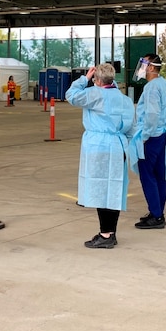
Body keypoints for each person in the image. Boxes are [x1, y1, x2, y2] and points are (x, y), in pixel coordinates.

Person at [65, 63, 135, 248]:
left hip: (99, 146)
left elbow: (70, 96)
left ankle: (105, 234)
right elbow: (132, 128)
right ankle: (111, 231)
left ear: (97, 79)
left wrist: (84, 78)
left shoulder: (95, 94)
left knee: (100, 189)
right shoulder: (125, 100)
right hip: (119, 145)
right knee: (114, 188)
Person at [131, 53, 166, 229]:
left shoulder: (151, 88)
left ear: (151, 67)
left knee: (148, 176)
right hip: (161, 134)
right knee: (159, 176)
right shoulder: (163, 83)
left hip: (151, 136)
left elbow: (152, 114)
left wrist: (145, 135)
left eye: (143, 64)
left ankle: (156, 216)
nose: (141, 68)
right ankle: (157, 211)